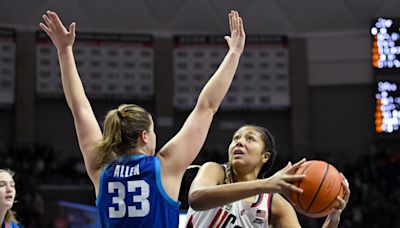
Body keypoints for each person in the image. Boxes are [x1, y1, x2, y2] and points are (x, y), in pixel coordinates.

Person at [39, 10, 246, 227]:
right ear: (145, 136)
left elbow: (80, 109)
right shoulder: (165, 166)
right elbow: (206, 106)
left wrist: (64, 51)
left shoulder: (101, 169)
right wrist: (234, 53)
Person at [186, 125, 351, 228]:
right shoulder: (214, 171)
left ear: (264, 156)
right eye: (236, 138)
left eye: (250, 139)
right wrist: (267, 184)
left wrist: (333, 218)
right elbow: (197, 198)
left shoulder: (274, 203)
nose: (239, 142)